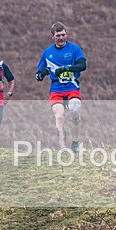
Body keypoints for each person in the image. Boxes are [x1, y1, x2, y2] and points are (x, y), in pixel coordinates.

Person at [35, 21, 87, 152]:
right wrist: (41, 74)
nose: (61, 38)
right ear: (53, 36)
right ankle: (62, 146)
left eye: (63, 35)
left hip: (72, 88)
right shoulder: (47, 53)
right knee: (59, 115)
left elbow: (83, 66)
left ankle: (75, 143)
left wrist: (66, 68)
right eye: (58, 35)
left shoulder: (74, 49)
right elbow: (39, 73)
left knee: (74, 112)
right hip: (56, 90)